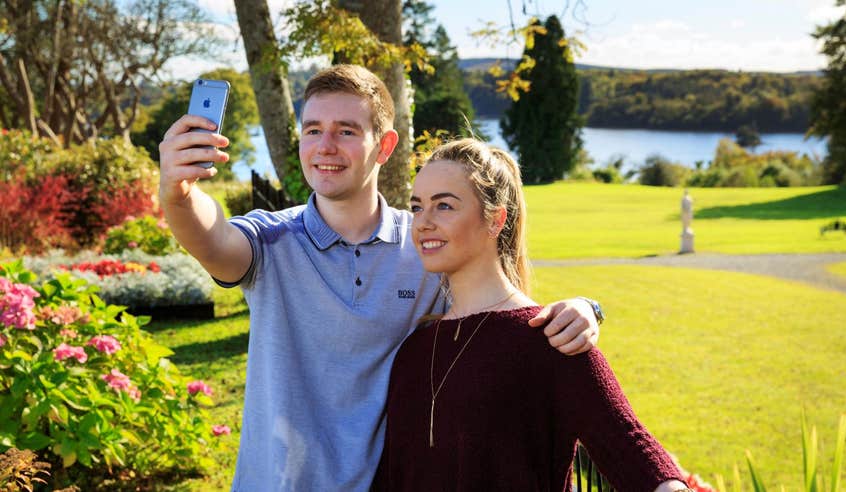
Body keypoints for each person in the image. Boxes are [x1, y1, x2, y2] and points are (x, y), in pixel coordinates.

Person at [158, 64, 603, 491]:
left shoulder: (425, 247)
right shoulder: (269, 243)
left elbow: (498, 311)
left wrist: (586, 308)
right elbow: (211, 238)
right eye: (312, 130)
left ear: (385, 146)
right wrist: (178, 194)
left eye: (346, 131)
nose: (325, 146)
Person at [373, 138, 690, 492]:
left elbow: (633, 451)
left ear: (495, 220)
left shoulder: (551, 339)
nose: (424, 223)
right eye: (417, 207)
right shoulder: (414, 350)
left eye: (444, 206)